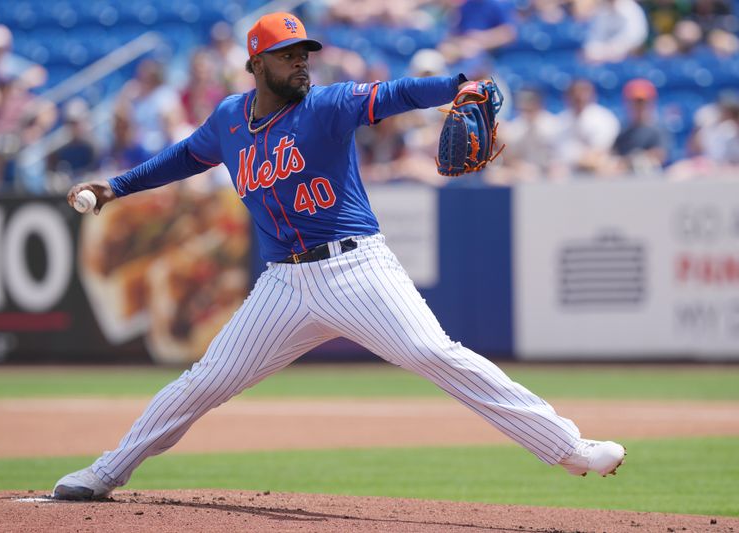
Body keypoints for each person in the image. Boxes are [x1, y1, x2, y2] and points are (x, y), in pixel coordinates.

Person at [53, 12, 626, 501]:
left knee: (434, 353)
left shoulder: (326, 104)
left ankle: (568, 447)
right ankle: (106, 472)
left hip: (356, 269)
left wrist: (455, 86)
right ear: (257, 65)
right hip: (282, 286)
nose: (301, 63)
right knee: (203, 382)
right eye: (286, 56)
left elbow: (395, 94)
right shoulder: (229, 118)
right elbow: (184, 157)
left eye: (305, 53)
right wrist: (116, 187)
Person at [612, 78, 671, 175]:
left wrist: (632, 160)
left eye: (642, 102)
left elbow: (661, 155)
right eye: (635, 102)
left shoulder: (658, 129)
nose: (639, 106)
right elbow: (614, 154)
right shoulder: (623, 130)